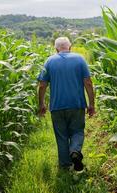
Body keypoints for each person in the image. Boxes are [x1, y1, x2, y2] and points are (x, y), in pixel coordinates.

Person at [37, 37, 95, 171]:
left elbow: (42, 85)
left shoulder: (49, 61)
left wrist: (42, 104)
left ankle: (65, 167)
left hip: (57, 106)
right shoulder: (80, 59)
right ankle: (74, 151)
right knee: (78, 131)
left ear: (56, 49)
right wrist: (91, 104)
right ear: (70, 47)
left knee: (61, 136)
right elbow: (88, 82)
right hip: (77, 104)